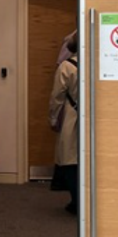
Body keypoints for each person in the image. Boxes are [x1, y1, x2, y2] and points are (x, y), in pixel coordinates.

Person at [49, 31, 79, 214]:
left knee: (70, 160)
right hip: (94, 119)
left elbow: (57, 96)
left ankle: (76, 201)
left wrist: (52, 117)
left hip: (72, 116)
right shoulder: (97, 63)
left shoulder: (67, 67)